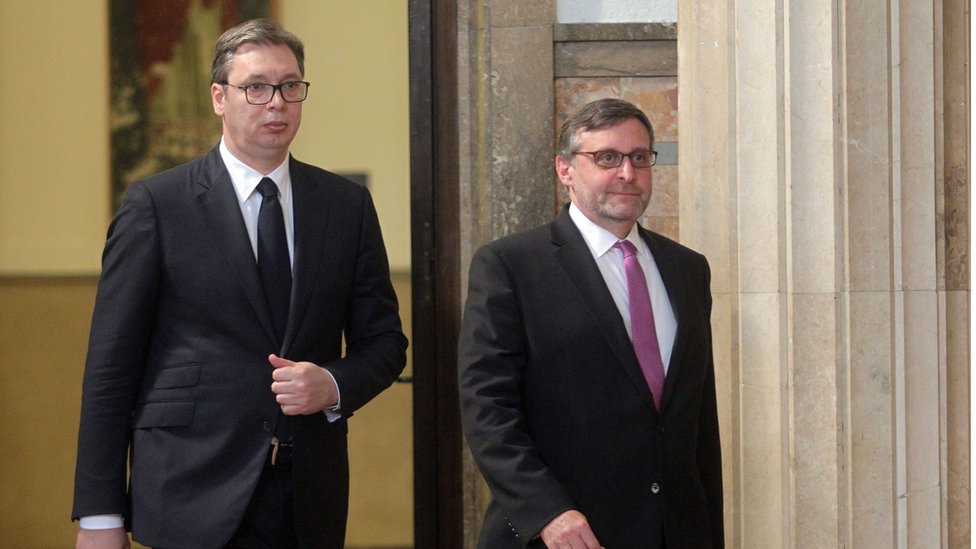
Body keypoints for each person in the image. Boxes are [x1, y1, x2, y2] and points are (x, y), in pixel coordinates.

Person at [72, 18, 408, 549]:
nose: (276, 102)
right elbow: (110, 369)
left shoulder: (345, 206)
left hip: (305, 494)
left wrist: (333, 384)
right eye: (256, 87)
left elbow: (385, 343)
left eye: (290, 86)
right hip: (189, 488)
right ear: (219, 98)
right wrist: (99, 514)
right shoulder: (157, 205)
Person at [458, 98, 724, 548]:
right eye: (607, 158)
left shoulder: (687, 269)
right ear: (565, 169)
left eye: (639, 157)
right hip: (564, 533)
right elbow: (487, 408)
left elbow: (699, 422)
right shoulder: (511, 265)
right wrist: (547, 512)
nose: (627, 173)